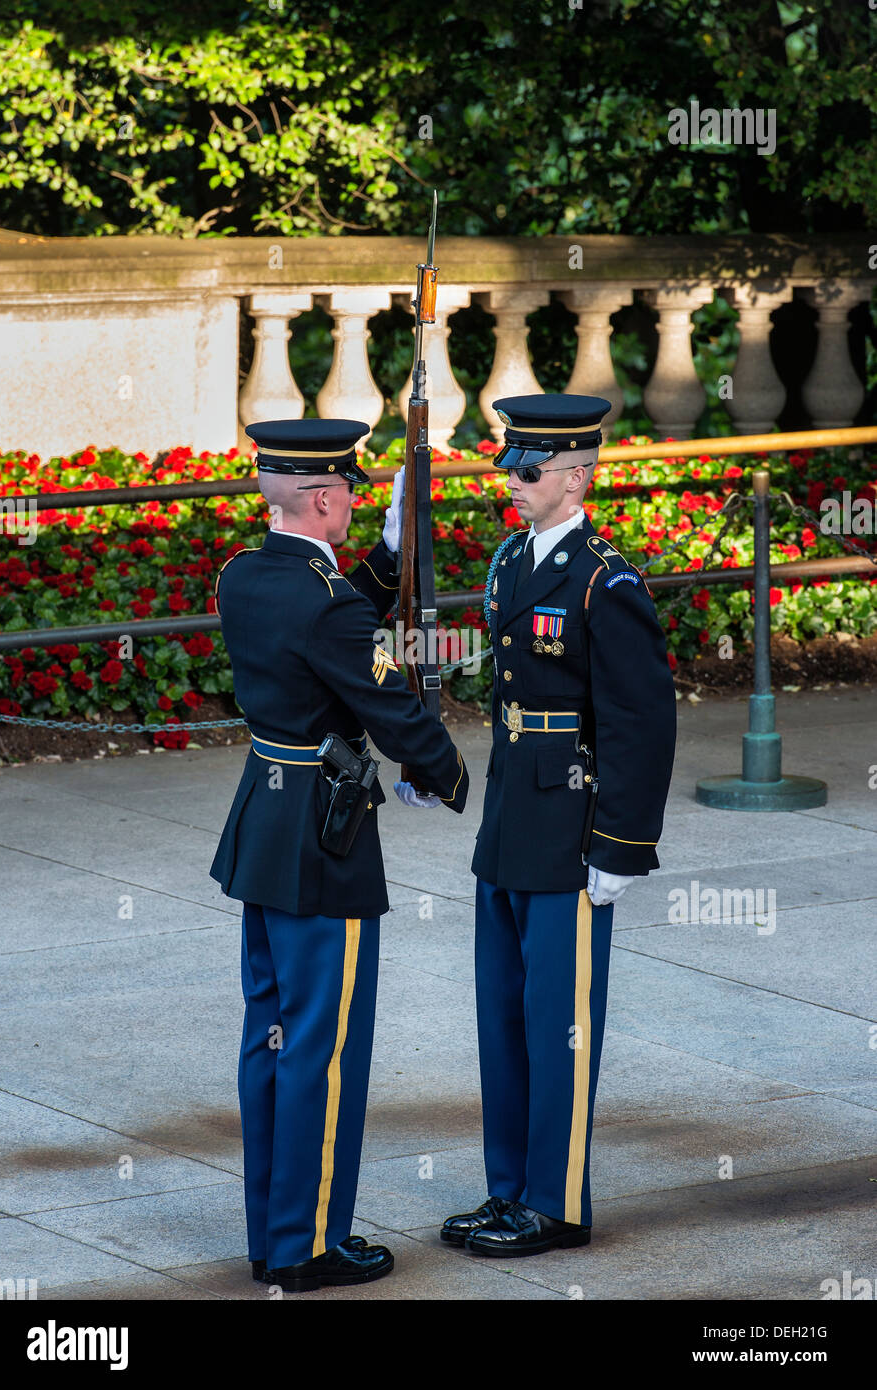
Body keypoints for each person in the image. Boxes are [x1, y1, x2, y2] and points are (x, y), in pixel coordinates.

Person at [210, 417, 468, 1292]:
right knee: (323, 1045)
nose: (356, 503)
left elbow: (325, 617)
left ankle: (270, 1233)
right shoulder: (327, 605)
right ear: (322, 498)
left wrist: (391, 551)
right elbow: (379, 691)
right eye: (351, 495)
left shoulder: (242, 576)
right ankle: (309, 1244)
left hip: (262, 824)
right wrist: (444, 769)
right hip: (325, 838)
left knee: (270, 1036)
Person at [441, 393, 676, 1257]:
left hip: (572, 819)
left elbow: (640, 722)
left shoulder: (604, 579)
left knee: (559, 1020)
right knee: (502, 1016)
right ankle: (508, 1191)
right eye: (512, 466)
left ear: (576, 478)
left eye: (529, 471)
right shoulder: (510, 560)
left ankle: (556, 1202)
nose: (514, 482)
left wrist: (621, 845)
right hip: (512, 815)